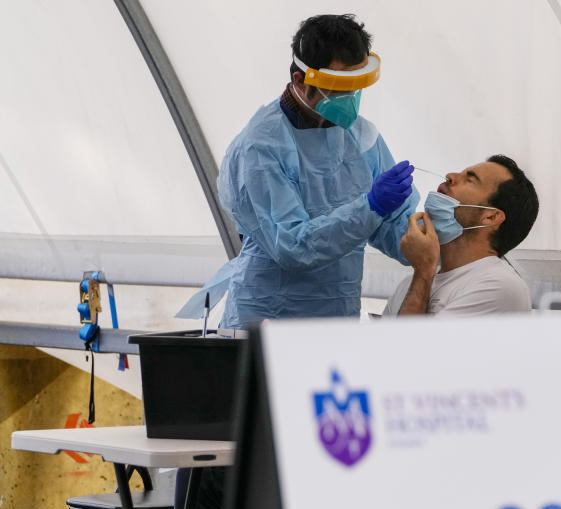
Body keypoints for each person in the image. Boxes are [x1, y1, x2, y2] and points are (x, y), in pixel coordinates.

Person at [178, 14, 416, 328]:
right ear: (300, 80)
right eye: (338, 88)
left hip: (336, 316)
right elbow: (293, 246)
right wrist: (370, 206)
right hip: (268, 317)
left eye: (356, 87)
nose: (350, 101)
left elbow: (393, 227)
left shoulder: (361, 137)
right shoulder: (262, 148)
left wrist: (447, 242)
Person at [382, 155, 539, 316]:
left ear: (491, 217)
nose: (450, 176)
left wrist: (423, 270)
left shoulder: (501, 286)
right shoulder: (410, 283)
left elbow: (410, 341)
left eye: (470, 180)